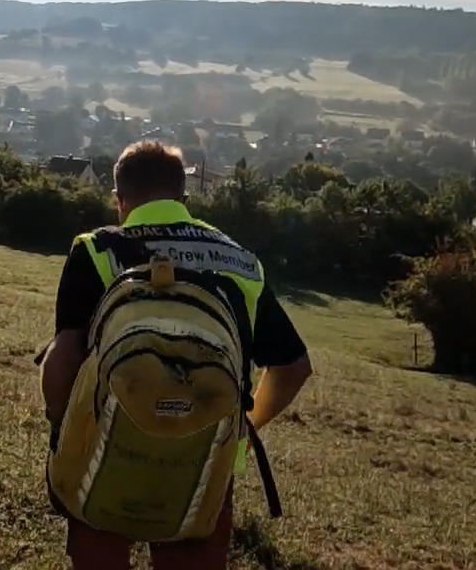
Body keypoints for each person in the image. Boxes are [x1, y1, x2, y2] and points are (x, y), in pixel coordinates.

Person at [41, 141, 313, 570]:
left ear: (120, 200)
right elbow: (293, 366)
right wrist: (242, 427)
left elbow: (65, 351)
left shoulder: (98, 249)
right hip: (205, 452)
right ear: (184, 200)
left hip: (104, 438)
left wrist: (61, 427)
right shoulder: (241, 262)